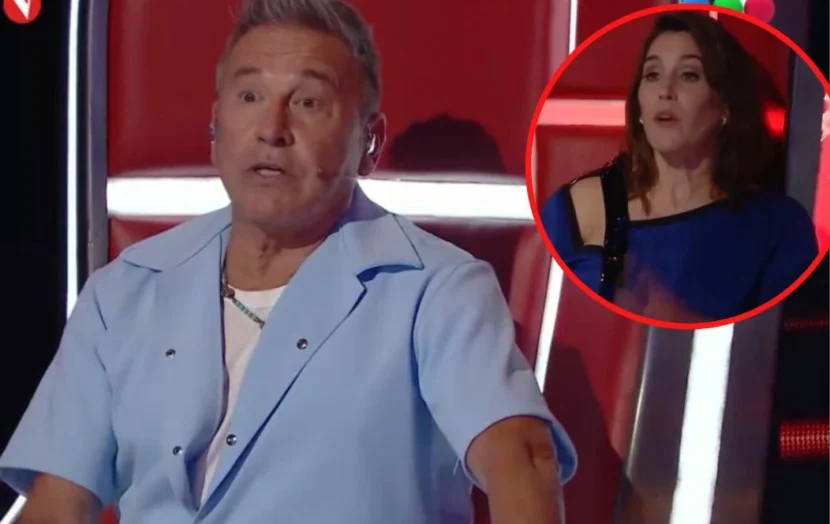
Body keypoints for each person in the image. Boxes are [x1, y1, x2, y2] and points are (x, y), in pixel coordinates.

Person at [0, 0, 576, 523]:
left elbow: (522, 461)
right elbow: (57, 504)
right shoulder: (125, 290)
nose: (272, 130)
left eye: (308, 102)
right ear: (214, 128)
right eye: (250, 97)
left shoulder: (439, 288)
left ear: (369, 143)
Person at [540, 11, 819, 323]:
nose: (665, 90)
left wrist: (675, 322)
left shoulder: (778, 227)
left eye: (688, 75)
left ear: (725, 106)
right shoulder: (577, 207)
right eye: (652, 75)